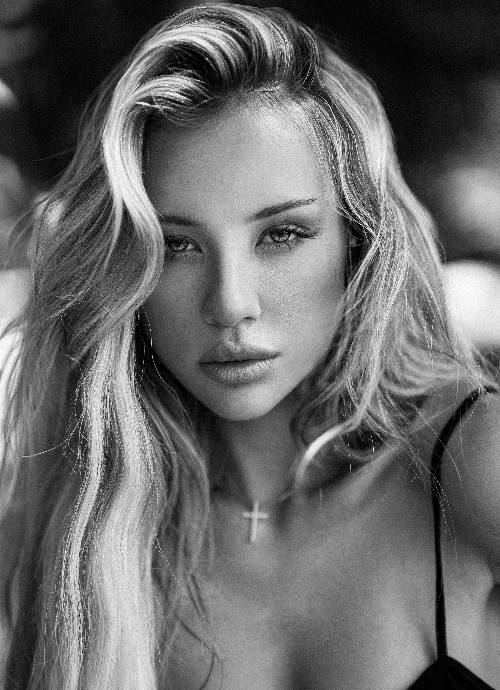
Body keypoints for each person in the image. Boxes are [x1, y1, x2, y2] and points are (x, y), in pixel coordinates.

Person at [0, 4, 498, 689]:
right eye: (176, 246)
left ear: (359, 239)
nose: (231, 303)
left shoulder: (475, 466)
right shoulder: (86, 533)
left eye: (281, 234)